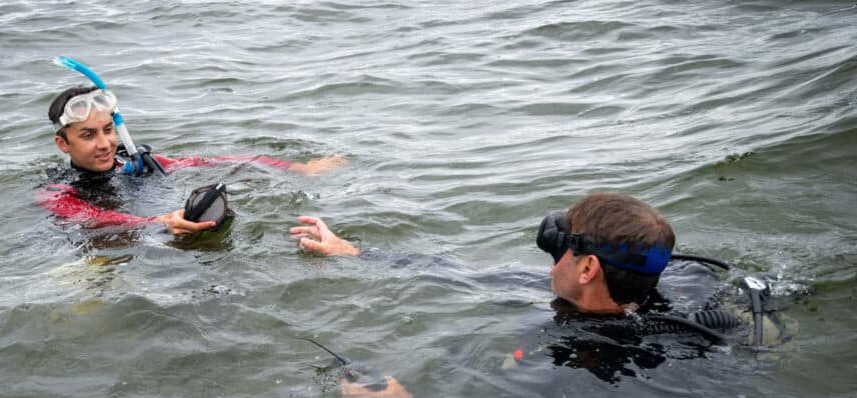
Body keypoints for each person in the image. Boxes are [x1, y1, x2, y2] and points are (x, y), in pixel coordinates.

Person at [290, 192, 676, 314]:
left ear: (588, 268)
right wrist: (353, 252)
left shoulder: (581, 360)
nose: (552, 256)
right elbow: (453, 272)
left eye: (560, 245)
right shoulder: (669, 299)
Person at [39, 85, 346, 235]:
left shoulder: (135, 163)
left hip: (162, 227)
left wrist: (298, 168)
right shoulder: (56, 193)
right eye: (88, 135)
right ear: (62, 144)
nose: (105, 143)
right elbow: (97, 219)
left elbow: (207, 162)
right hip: (109, 245)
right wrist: (158, 222)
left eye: (108, 130)